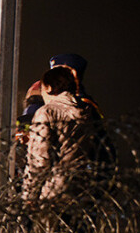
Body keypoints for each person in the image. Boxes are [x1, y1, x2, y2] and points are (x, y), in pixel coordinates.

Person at [23, 67, 96, 201]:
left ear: (49, 88)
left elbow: (39, 160)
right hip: (81, 190)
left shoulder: (47, 112)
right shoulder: (85, 113)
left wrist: (29, 196)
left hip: (53, 191)